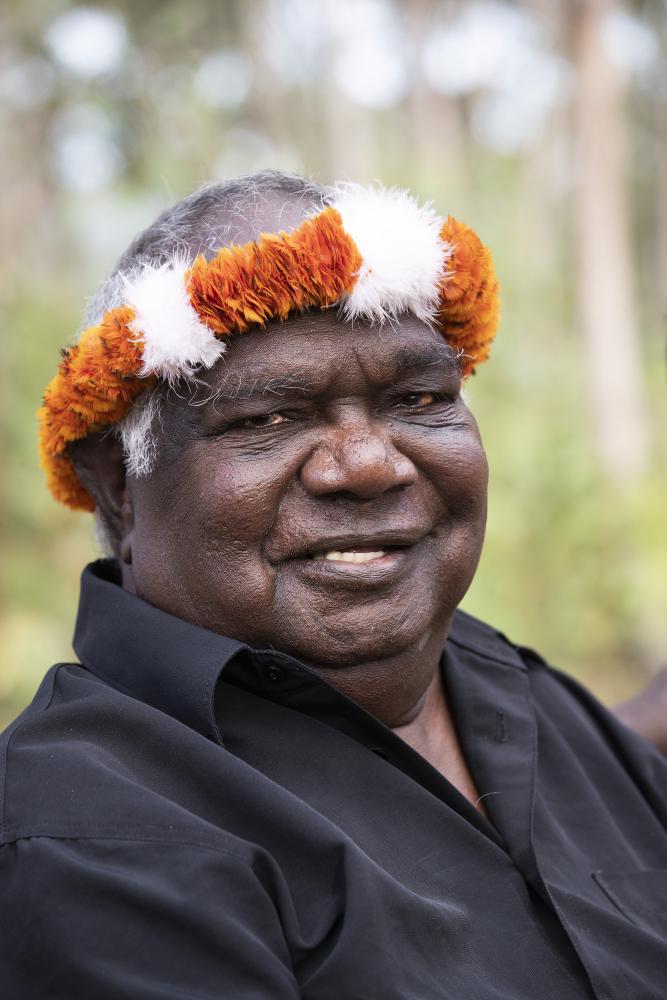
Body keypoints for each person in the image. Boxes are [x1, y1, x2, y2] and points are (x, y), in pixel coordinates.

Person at [1, 171, 665, 999]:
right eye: (265, 418)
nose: (368, 464)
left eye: (419, 397)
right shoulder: (91, 842)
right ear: (118, 488)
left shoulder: (505, 686)